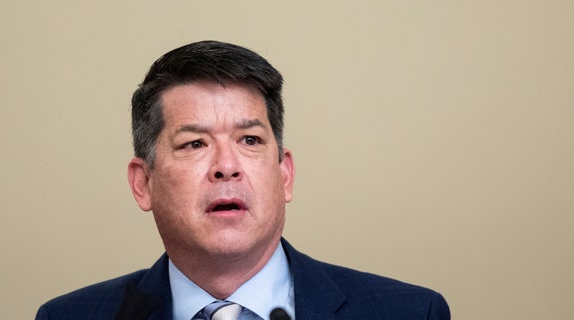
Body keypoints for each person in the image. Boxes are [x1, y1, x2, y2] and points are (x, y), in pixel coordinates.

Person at [35, 40, 450, 320]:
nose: (226, 166)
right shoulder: (69, 316)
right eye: (194, 144)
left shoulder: (411, 312)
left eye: (249, 139)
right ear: (143, 183)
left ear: (284, 174)